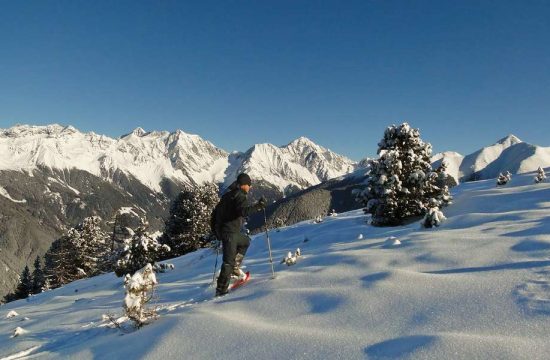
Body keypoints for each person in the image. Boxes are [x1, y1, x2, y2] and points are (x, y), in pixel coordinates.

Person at [214, 173, 267, 297]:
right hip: (230, 233)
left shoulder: (228, 195)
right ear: (245, 185)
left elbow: (217, 212)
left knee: (245, 241)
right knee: (228, 262)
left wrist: (217, 231)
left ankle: (234, 268)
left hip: (227, 232)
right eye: (249, 185)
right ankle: (221, 290)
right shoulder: (240, 195)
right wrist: (259, 206)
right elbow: (243, 211)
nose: (249, 188)